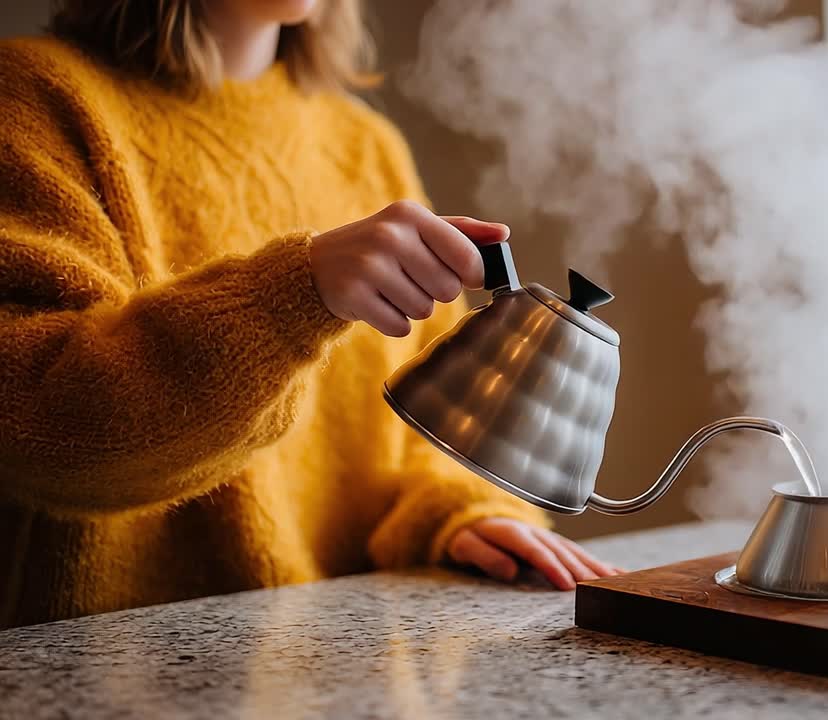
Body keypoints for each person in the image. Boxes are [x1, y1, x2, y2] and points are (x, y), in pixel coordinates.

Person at [0, 0, 618, 629]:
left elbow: (419, 440)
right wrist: (291, 297)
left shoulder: (363, 146)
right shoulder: (34, 97)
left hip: (338, 664)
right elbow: (38, 426)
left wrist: (457, 512)